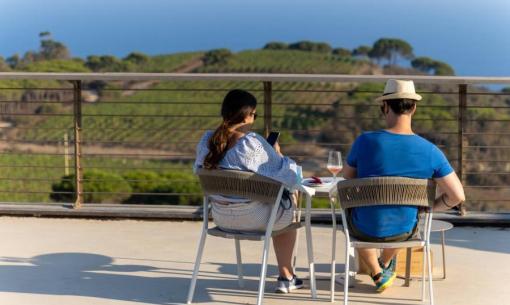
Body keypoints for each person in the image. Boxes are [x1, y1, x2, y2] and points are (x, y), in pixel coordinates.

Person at [342, 79, 465, 292]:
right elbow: (457, 196)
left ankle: (376, 271)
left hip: (363, 230)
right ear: (414, 108)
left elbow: (345, 179)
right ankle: (384, 264)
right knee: (409, 218)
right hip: (404, 232)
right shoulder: (430, 151)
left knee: (353, 213)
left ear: (385, 107)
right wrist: (429, 207)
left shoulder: (365, 141)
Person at [194, 89, 303, 294]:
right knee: (290, 205)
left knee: (278, 204)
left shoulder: (206, 141)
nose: (254, 118)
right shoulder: (250, 144)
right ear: (246, 115)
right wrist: (278, 154)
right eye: (254, 114)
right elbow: (289, 176)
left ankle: (287, 276)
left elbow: (198, 170)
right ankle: (286, 276)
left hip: (220, 217)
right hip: (255, 219)